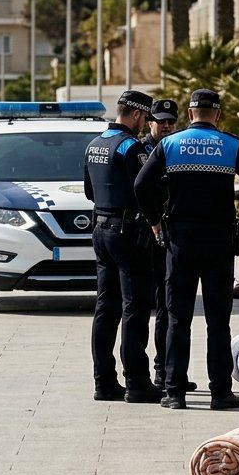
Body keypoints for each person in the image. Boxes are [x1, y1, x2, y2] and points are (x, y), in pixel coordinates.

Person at [134, 89, 239, 411]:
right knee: (218, 321)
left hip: (180, 242)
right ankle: (221, 392)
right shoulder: (231, 146)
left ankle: (174, 392)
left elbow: (141, 185)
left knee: (178, 318)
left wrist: (154, 221)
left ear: (191, 114)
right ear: (217, 115)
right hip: (219, 242)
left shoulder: (169, 145)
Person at [83, 91, 162, 404]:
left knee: (106, 307)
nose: (145, 125)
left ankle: (103, 382)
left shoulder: (94, 144)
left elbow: (90, 191)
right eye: (145, 118)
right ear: (138, 116)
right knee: (135, 307)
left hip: (101, 229)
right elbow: (147, 189)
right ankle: (137, 383)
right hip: (128, 233)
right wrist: (154, 218)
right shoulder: (130, 147)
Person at [142, 98, 182, 393]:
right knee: (155, 306)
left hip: (173, 234)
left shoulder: (178, 148)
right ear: (149, 122)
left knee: (170, 308)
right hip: (149, 237)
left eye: (171, 121)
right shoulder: (141, 151)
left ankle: (167, 370)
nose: (166, 126)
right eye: (161, 121)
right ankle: (158, 372)